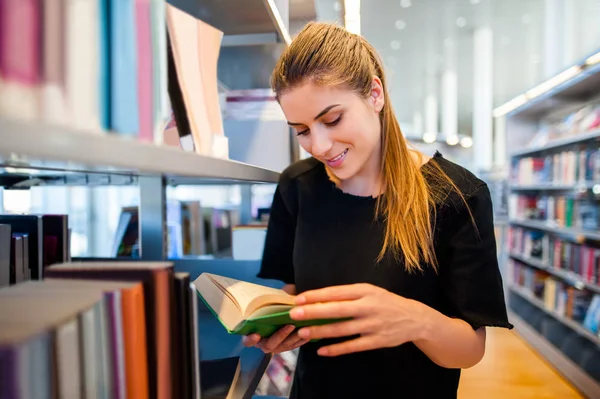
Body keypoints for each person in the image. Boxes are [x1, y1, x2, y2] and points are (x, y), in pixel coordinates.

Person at [243, 21, 513, 398]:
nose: (319, 145)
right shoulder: (297, 186)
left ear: (374, 94)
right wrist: (282, 328)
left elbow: (469, 351)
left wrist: (414, 320)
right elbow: (291, 295)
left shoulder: (456, 196)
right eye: (301, 130)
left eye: (332, 119)